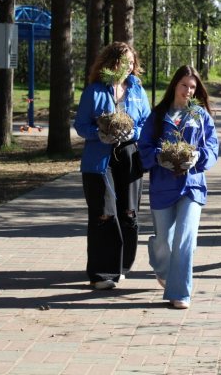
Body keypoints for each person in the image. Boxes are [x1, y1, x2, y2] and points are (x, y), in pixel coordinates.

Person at [138, 65, 219, 309]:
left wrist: (198, 158)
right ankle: (162, 267)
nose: (188, 91)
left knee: (185, 238)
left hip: (191, 185)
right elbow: (144, 148)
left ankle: (180, 293)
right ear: (175, 85)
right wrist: (159, 156)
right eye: (184, 85)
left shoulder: (200, 115)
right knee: (164, 242)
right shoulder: (158, 115)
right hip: (163, 187)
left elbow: (212, 148)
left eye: (193, 87)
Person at [74, 42, 151, 290]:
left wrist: (133, 133)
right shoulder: (94, 91)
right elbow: (81, 126)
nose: (128, 67)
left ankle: (121, 266)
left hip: (129, 156)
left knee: (129, 212)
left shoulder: (137, 91)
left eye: (131, 62)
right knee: (104, 213)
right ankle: (101, 273)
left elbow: (147, 124)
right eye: (123, 62)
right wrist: (100, 133)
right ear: (110, 63)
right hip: (99, 160)